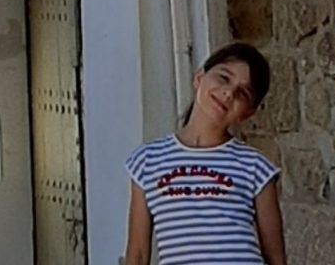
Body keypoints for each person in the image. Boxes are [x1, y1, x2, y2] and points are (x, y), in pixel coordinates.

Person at [123, 42, 287, 265]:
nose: (228, 93)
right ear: (199, 78)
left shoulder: (256, 167)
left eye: (243, 93)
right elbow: (138, 255)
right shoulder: (147, 161)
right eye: (223, 78)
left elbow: (276, 258)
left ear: (248, 113)